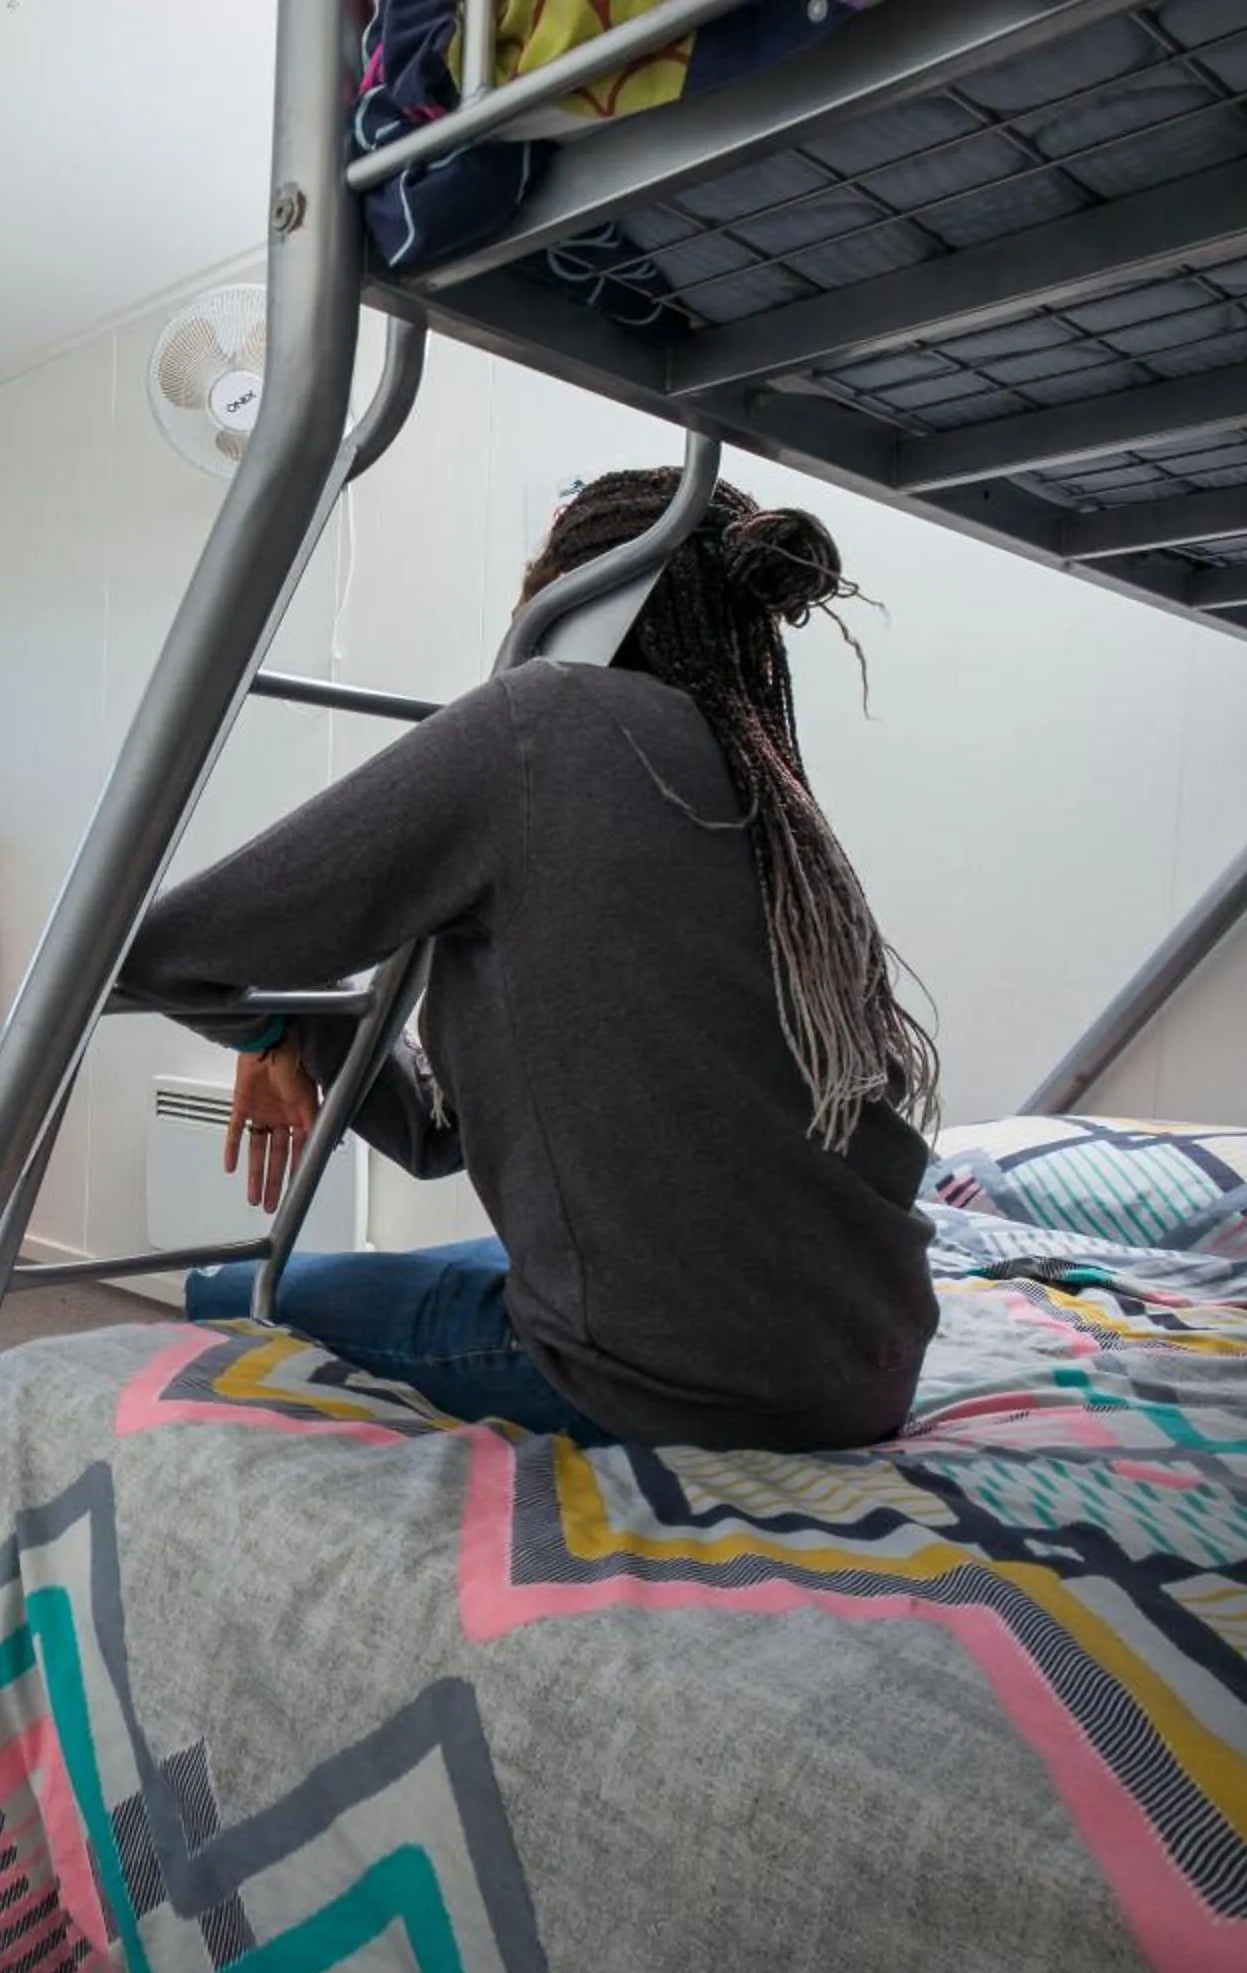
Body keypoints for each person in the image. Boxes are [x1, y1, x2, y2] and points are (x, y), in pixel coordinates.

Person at [120, 470, 941, 1452]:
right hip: (873, 1367)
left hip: (675, 1385)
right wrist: (292, 1026)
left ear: (567, 600)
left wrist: (258, 1022)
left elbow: (158, 947)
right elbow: (441, 1134)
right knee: (466, 1269)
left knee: (225, 1288)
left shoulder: (541, 720)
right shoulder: (776, 801)